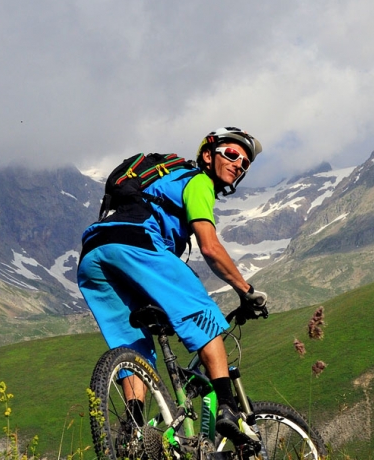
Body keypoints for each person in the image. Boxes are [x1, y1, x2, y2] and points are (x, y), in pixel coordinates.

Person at [77, 126, 267, 445]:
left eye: (245, 164)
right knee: (203, 315)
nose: (238, 164)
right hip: (136, 244)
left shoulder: (162, 183)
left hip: (94, 253)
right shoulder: (197, 182)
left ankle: (133, 433)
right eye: (232, 154)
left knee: (134, 347)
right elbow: (210, 247)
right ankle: (228, 408)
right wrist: (246, 292)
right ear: (208, 155)